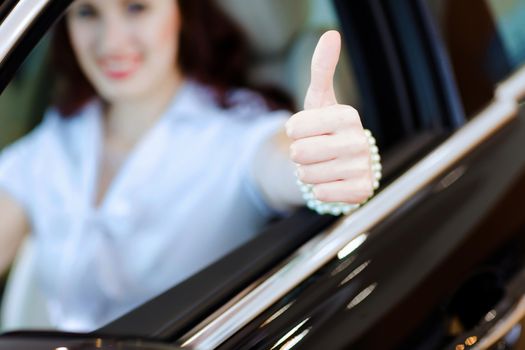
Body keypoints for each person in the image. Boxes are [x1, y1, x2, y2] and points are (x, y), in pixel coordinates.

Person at [0, 0, 375, 331]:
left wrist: (324, 167)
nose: (111, 42)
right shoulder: (52, 142)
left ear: (181, 11)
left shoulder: (237, 131)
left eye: (136, 7)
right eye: (86, 12)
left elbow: (281, 162)